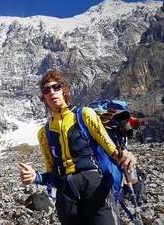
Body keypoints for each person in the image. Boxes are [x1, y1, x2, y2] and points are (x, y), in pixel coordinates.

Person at [19, 69, 137, 225]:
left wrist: (124, 155)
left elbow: (111, 149)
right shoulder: (44, 133)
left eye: (56, 87)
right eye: (46, 90)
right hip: (66, 193)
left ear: (64, 90)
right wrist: (37, 177)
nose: (52, 92)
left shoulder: (84, 115)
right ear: (44, 99)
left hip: (94, 184)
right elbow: (53, 174)